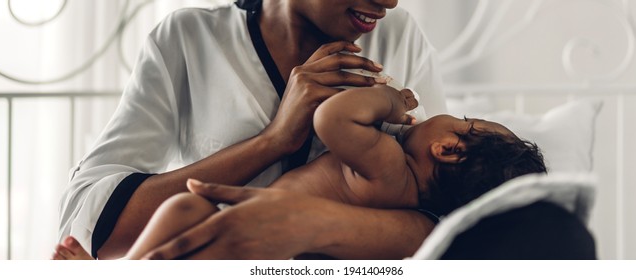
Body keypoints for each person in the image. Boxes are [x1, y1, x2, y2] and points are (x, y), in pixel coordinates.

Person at [58, 0, 450, 260]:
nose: (390, 1)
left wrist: (314, 225)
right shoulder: (189, 39)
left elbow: (454, 212)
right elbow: (94, 228)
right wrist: (273, 140)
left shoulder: (400, 36)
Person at [53, 84, 546, 260]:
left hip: (245, 226)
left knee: (185, 206)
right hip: (286, 252)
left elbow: (332, 119)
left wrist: (389, 101)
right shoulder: (410, 200)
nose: (449, 115)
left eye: (461, 120)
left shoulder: (390, 165)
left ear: (447, 148)